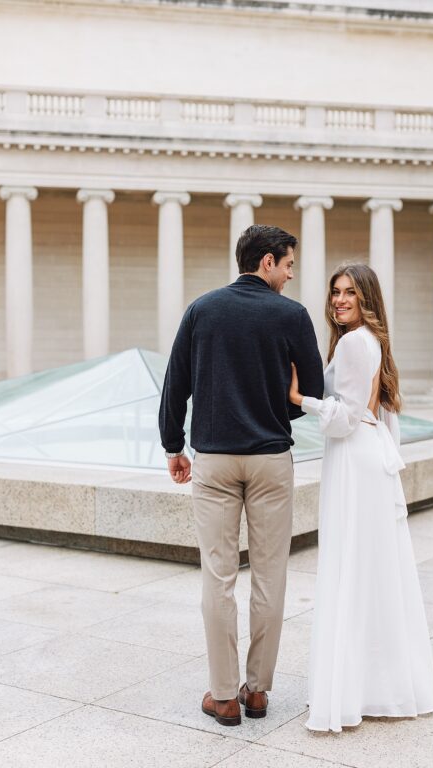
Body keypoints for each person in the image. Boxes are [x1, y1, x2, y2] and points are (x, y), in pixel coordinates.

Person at [159, 224, 324, 727]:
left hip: (213, 458)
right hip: (271, 457)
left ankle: (224, 696)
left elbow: (175, 383)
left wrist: (173, 445)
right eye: (289, 265)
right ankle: (258, 692)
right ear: (267, 261)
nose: (291, 276)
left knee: (219, 577)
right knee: (271, 576)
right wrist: (275, 411)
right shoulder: (292, 316)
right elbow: (313, 388)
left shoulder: (202, 309)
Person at [288, 262, 433, 732]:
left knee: (352, 567)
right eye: (335, 292)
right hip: (370, 454)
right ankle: (378, 686)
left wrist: (300, 400)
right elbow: (377, 415)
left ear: (366, 296)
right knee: (374, 571)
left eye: (349, 292)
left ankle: (353, 690)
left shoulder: (354, 343)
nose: (339, 300)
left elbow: (345, 417)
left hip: (354, 456)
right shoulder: (372, 341)